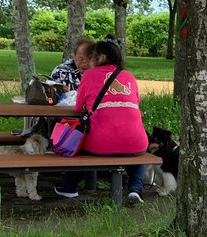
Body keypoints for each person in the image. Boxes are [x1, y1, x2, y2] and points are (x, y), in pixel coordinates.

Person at [54, 38, 149, 204]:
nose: (90, 61)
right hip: (136, 142)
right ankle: (135, 189)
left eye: (92, 57)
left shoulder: (89, 75)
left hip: (101, 144)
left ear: (102, 57)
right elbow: (135, 102)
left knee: (78, 142)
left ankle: (69, 187)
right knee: (137, 148)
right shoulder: (129, 77)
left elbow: (78, 107)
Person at [17, 38, 94, 137]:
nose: (85, 63)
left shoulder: (99, 74)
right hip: (64, 120)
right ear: (74, 57)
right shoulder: (61, 72)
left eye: (89, 59)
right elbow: (50, 95)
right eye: (81, 59)